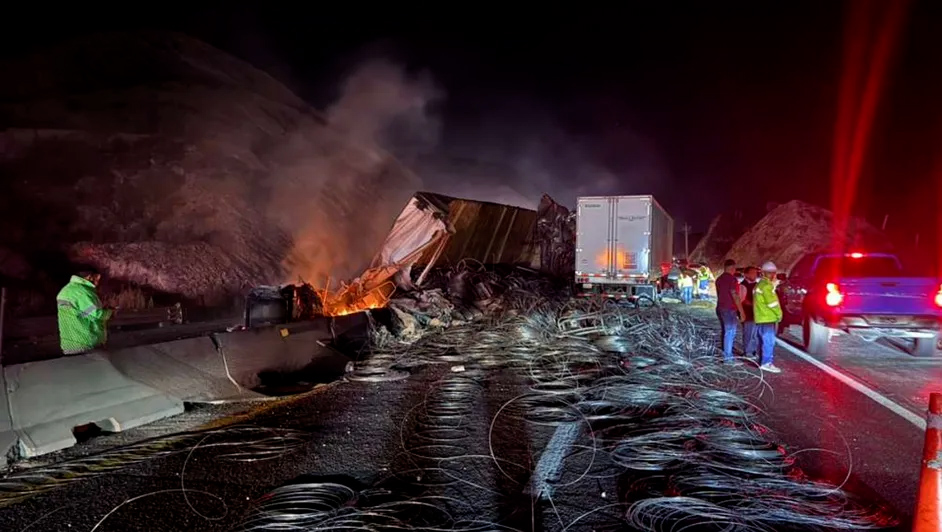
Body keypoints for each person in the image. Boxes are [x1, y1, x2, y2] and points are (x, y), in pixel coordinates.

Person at [56, 269, 115, 355]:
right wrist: (110, 313)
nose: (98, 282)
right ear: (89, 277)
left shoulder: (67, 290)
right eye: (97, 277)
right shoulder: (83, 292)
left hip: (70, 343)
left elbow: (82, 314)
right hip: (86, 342)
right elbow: (96, 314)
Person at [753, 261, 783, 373]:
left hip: (761, 317)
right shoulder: (766, 286)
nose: (774, 275)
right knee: (768, 341)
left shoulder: (760, 284)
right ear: (765, 273)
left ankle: (762, 360)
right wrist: (779, 314)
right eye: (772, 273)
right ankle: (766, 363)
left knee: (762, 340)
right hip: (768, 317)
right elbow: (772, 303)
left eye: (774, 273)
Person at [715, 259, 745, 363]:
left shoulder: (719, 279)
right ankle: (728, 358)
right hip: (729, 309)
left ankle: (726, 354)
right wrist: (741, 311)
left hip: (720, 308)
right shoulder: (732, 279)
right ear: (732, 268)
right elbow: (735, 295)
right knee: (730, 332)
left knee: (725, 331)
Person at [739, 266, 760, 359]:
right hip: (748, 313)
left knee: (755, 334)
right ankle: (747, 352)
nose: (755, 275)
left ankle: (754, 351)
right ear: (746, 274)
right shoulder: (742, 285)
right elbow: (742, 300)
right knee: (748, 333)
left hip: (757, 314)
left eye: (756, 273)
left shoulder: (757, 285)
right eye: (752, 273)